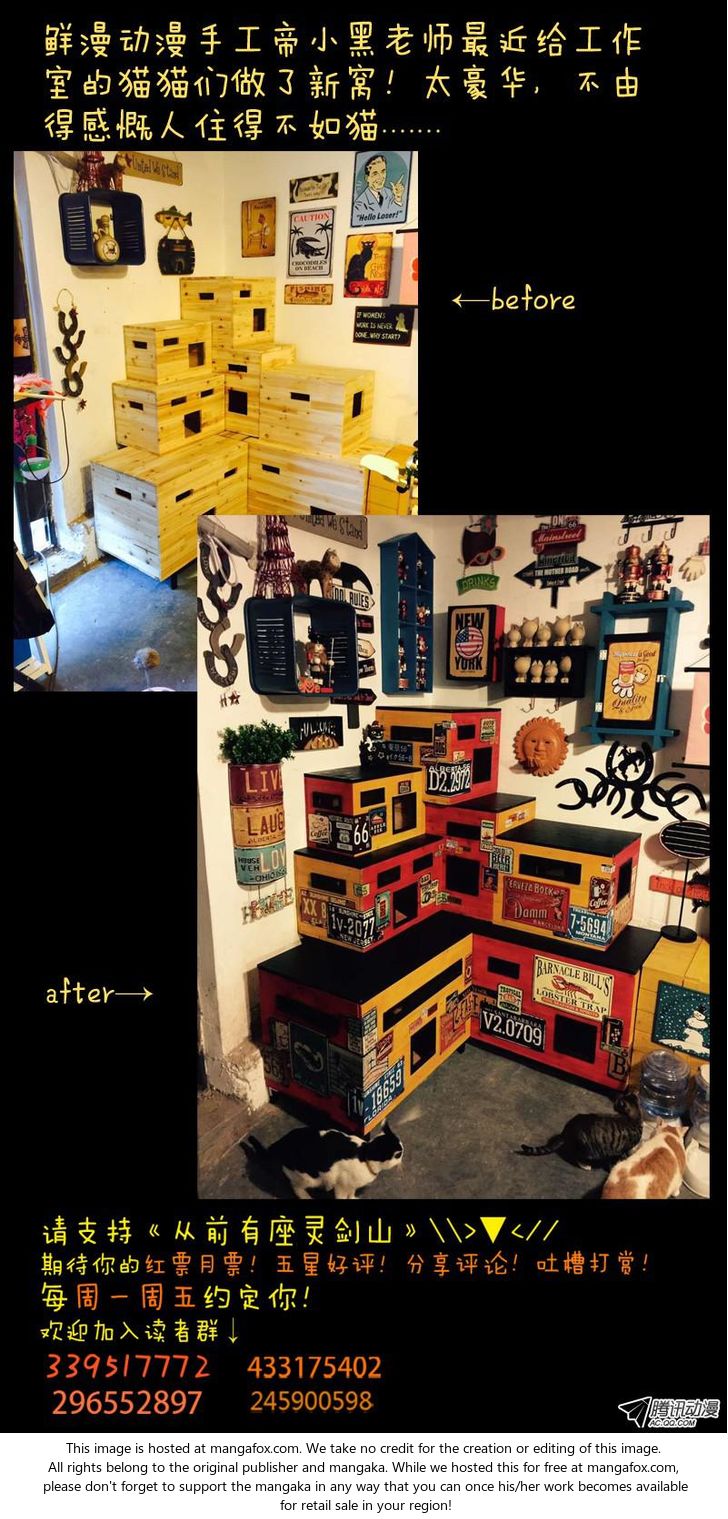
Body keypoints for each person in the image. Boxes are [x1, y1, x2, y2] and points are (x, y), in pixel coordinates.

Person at [353, 155, 405, 220]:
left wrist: (398, 198)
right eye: (375, 173)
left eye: (383, 171)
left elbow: (397, 217)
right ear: (367, 178)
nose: (380, 177)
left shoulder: (391, 193)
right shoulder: (359, 204)